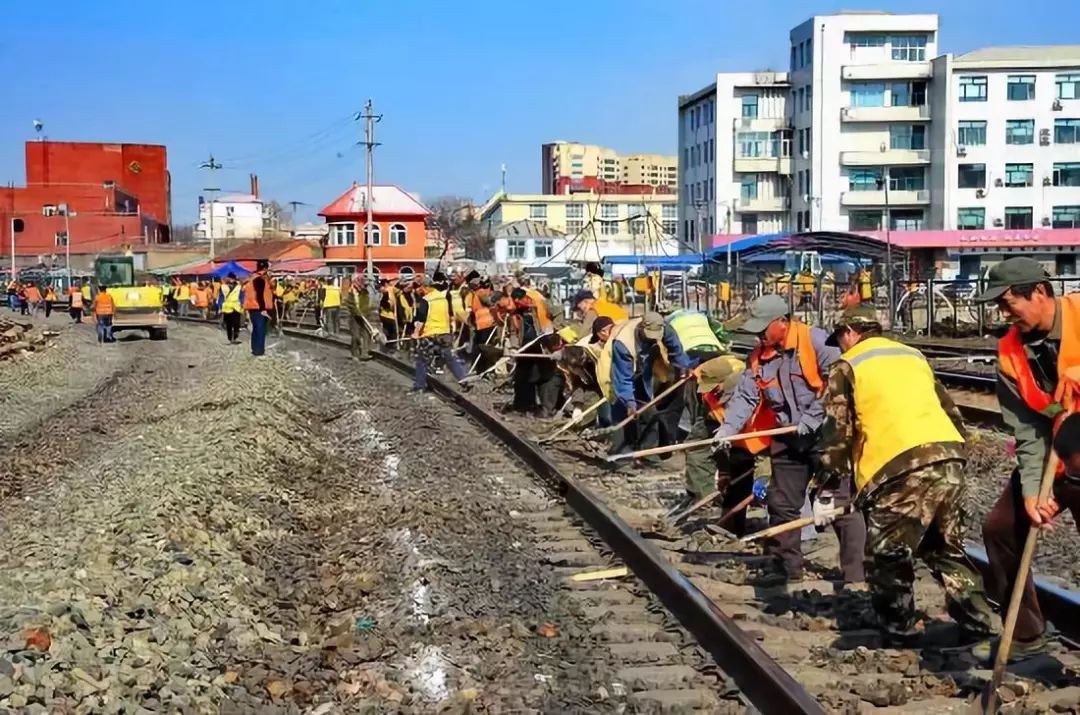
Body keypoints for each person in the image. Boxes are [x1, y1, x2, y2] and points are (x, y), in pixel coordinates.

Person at [815, 304, 995, 642]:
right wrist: (956, 453)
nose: (839, 345)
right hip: (948, 456)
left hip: (899, 466)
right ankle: (979, 625)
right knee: (946, 549)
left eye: (839, 338)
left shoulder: (848, 364)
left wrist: (825, 485)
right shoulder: (913, 355)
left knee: (887, 552)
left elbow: (837, 431)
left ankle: (897, 627)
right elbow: (949, 410)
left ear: (849, 332)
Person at [714, 294, 867, 585]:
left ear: (783, 322)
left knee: (838, 503)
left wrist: (811, 419)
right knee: (781, 502)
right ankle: (788, 568)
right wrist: (728, 429)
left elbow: (837, 385)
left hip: (826, 434)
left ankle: (855, 577)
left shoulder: (819, 343)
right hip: (787, 436)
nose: (758, 334)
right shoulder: (759, 355)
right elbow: (747, 395)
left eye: (763, 327)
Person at [973, 258, 1080, 661]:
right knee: (1000, 528)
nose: (1004, 314)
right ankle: (1027, 635)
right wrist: (1035, 493)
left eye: (1007, 302)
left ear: (1039, 292)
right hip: (1056, 460)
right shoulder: (1010, 353)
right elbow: (1030, 430)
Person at [680, 354, 760, 535]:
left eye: (716, 388)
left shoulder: (745, 387)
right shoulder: (709, 383)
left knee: (746, 478)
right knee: (698, 450)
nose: (711, 391)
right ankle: (707, 498)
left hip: (751, 438)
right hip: (726, 430)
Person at [600, 312, 691, 455]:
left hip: (644, 363)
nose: (653, 339)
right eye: (649, 336)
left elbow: (676, 349)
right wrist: (629, 403)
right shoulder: (623, 343)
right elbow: (623, 379)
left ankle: (646, 452)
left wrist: (684, 366)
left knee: (647, 406)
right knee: (622, 408)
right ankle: (622, 451)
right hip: (617, 366)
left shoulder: (664, 328)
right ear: (642, 328)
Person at [509, 288, 564, 416]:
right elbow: (513, 331)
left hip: (544, 346)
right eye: (516, 303)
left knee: (546, 376)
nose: (518, 305)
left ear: (525, 298)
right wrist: (513, 347)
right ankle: (524, 406)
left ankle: (548, 407)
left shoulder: (541, 303)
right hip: (525, 348)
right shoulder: (516, 313)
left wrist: (555, 328)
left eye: (519, 302)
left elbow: (558, 311)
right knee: (522, 377)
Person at [411, 272, 468, 392]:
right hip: (445, 333)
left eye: (420, 287)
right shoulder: (443, 297)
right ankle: (463, 380)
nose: (419, 290)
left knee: (422, 359)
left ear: (425, 287)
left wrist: (416, 333)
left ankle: (419, 386)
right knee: (450, 359)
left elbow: (421, 319)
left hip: (430, 334)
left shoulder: (426, 300)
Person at [243, 259, 274, 357]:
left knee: (256, 329)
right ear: (265, 268)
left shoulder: (254, 278)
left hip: (253, 307)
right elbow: (260, 295)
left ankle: (255, 349)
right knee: (260, 330)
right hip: (259, 308)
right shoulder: (260, 279)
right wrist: (263, 309)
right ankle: (259, 351)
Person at [348, 274, 373, 361]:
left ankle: (364, 353)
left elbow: (366, 304)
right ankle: (355, 353)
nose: (365, 285)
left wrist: (366, 313)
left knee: (367, 334)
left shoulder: (365, 292)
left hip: (365, 316)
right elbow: (350, 304)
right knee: (356, 336)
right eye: (363, 283)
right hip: (355, 317)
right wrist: (357, 312)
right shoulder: (351, 292)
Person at [220, 272, 244, 344]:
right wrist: (220, 306)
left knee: (237, 323)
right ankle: (230, 338)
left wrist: (242, 303)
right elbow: (221, 297)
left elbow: (241, 295)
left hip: (236, 306)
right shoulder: (223, 287)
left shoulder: (238, 287)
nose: (231, 280)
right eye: (230, 278)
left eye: (232, 278)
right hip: (227, 307)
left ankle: (235, 337)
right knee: (229, 324)